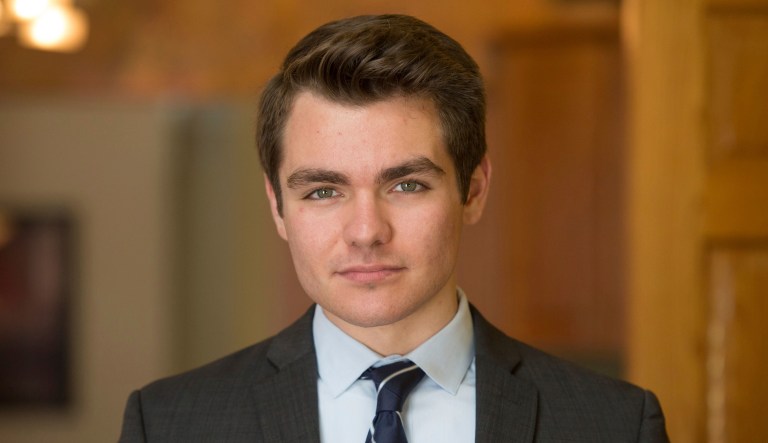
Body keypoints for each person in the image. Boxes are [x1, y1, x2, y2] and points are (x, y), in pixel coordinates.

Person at [119, 14, 668, 442]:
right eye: (323, 191)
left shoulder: (614, 425)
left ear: (473, 190)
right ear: (277, 207)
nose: (365, 231)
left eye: (406, 185)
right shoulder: (169, 425)